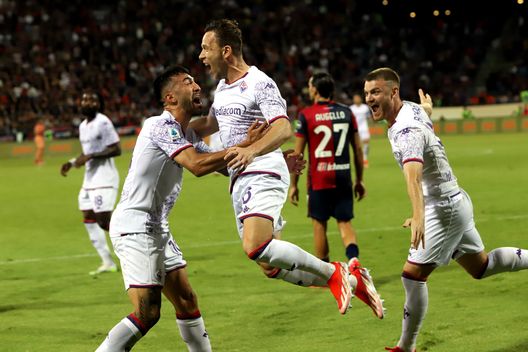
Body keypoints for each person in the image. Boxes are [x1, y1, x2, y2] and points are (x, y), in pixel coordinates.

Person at [193, 18, 384, 318]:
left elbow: (282, 127)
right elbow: (208, 124)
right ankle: (352, 280)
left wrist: (251, 150)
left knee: (254, 245)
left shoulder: (260, 82)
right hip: (242, 178)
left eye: (206, 48)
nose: (201, 56)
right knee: (270, 265)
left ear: (226, 51)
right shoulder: (222, 89)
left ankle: (335, 272)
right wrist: (173, 123)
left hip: (262, 169)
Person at [363, 67, 528, 352]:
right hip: (453, 200)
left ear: (393, 92)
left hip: (444, 208)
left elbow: (413, 176)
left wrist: (419, 215)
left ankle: (406, 346)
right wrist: (427, 109)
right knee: (482, 266)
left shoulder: (406, 130)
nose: (368, 99)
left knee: (412, 275)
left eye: (375, 92)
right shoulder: (413, 110)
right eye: (366, 93)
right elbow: (422, 118)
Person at [289, 73, 366, 270]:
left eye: (309, 85)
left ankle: (325, 272)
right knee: (344, 221)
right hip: (343, 175)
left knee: (319, 223)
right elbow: (358, 150)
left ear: (314, 89)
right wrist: (359, 180)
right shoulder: (347, 112)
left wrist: (293, 185)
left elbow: (297, 154)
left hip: (319, 178)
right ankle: (353, 259)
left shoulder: (306, 115)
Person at [60, 90, 120, 275]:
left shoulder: (103, 122)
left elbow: (116, 149)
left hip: (104, 178)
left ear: (99, 105)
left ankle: (139, 248)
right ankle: (107, 262)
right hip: (89, 180)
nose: (88, 102)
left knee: (104, 222)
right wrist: (71, 162)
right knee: (88, 217)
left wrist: (91, 156)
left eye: (92, 100)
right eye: (85, 99)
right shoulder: (83, 126)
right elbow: (87, 152)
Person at [350, 93, 372, 167]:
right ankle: (358, 160)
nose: (356, 100)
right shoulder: (351, 108)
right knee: (357, 146)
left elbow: (369, 117)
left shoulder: (365, 107)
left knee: (366, 143)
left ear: (360, 99)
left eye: (357, 98)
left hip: (364, 127)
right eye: (355, 98)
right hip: (355, 129)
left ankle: (365, 159)